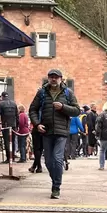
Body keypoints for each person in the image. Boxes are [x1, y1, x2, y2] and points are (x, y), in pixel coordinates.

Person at [29, 69, 80, 199]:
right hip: (46, 131)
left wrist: (63, 107)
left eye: (56, 77)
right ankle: (55, 180)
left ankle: (56, 187)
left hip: (62, 131)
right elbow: (33, 109)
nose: (53, 79)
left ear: (61, 79)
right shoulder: (41, 93)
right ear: (48, 78)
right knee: (48, 161)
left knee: (57, 159)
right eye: (51, 77)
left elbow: (76, 111)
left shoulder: (68, 93)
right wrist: (37, 124)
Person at [0, 91, 19, 163]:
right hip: (13, 125)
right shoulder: (14, 103)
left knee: (7, 142)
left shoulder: (1, 103)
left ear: (2, 97)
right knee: (12, 142)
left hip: (6, 125)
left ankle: (8, 158)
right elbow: (17, 115)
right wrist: (17, 126)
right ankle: (12, 157)